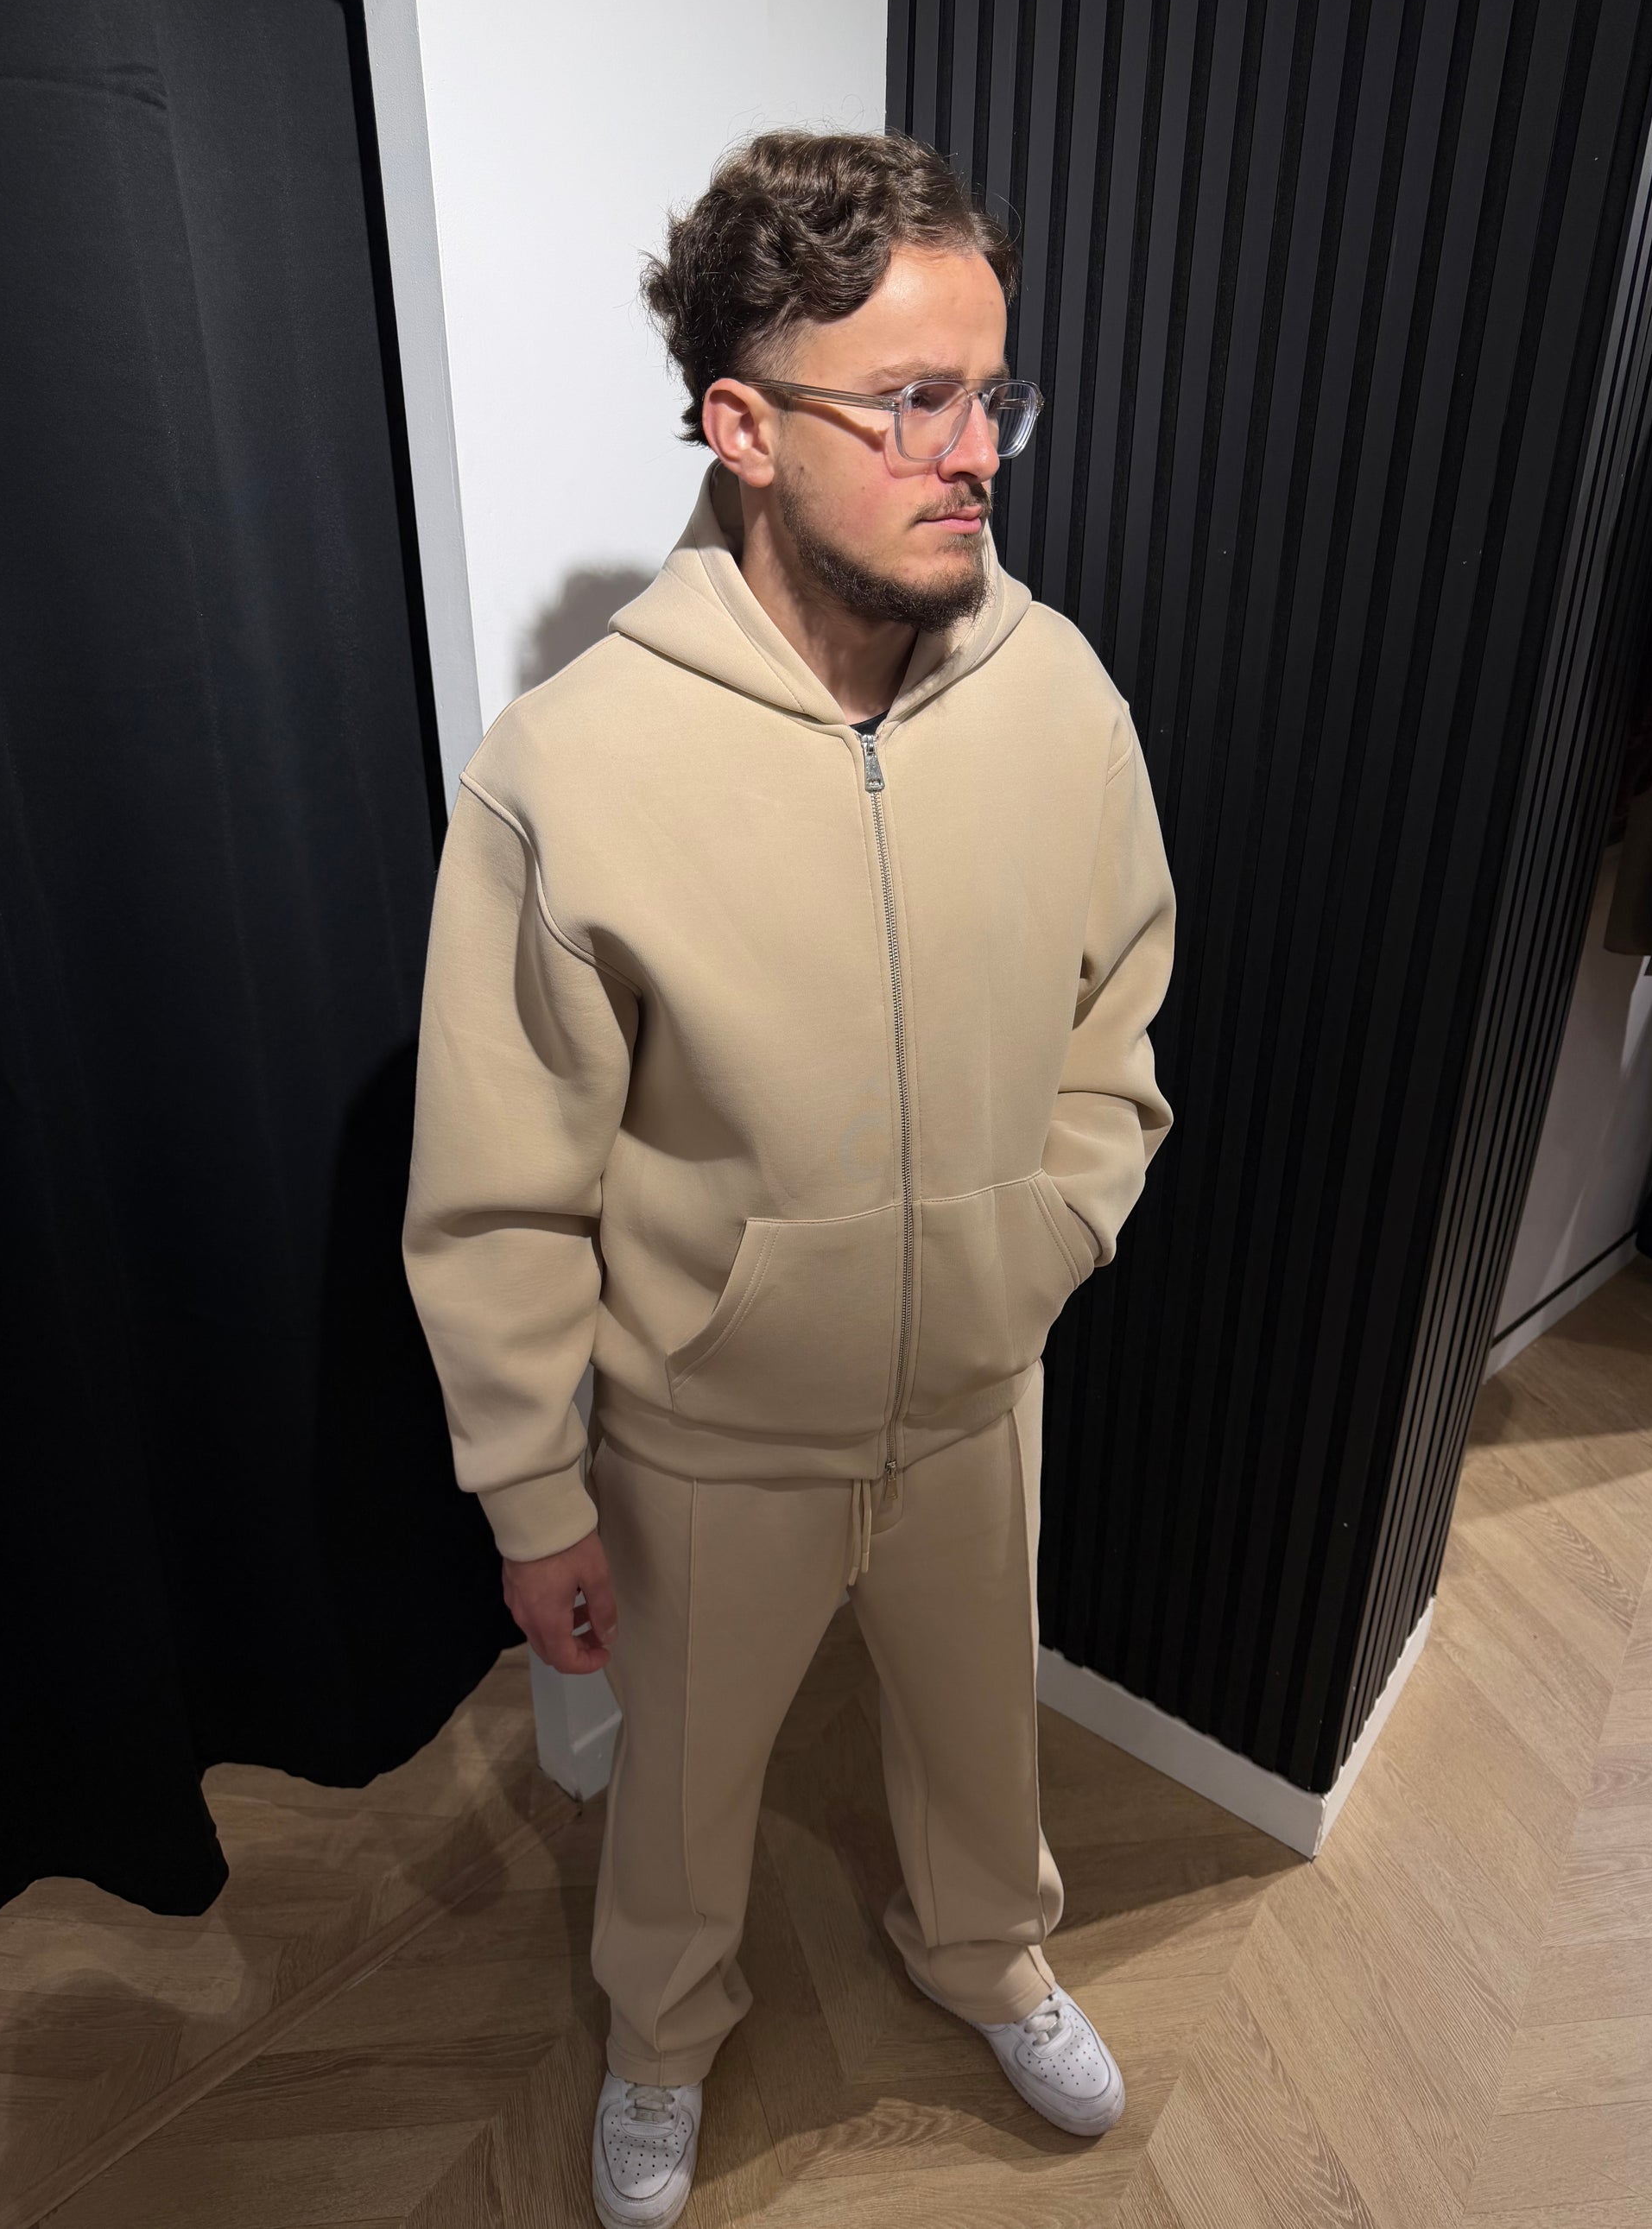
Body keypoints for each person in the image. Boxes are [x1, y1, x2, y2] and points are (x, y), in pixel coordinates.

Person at [402, 127, 1177, 2229]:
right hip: (707, 1434)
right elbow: (499, 1178)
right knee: (675, 1795)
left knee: (981, 1739)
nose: (975, 452)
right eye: (911, 401)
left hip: (973, 1402)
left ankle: (986, 1953)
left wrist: (1047, 1233)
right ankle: (661, 2039)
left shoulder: (1060, 694)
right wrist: (531, 1492)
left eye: (991, 394)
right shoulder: (570, 767)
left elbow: (1117, 1017)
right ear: (743, 427)